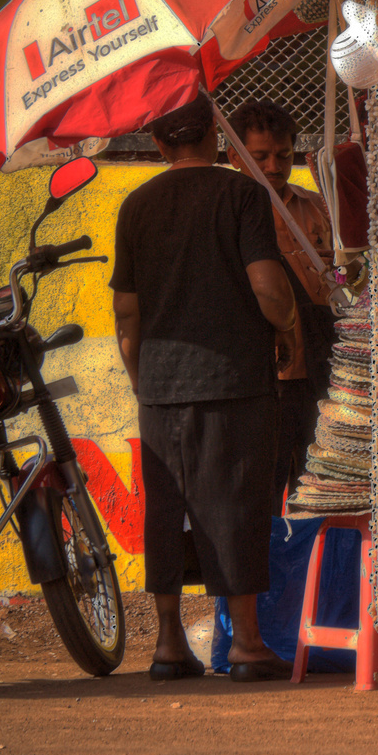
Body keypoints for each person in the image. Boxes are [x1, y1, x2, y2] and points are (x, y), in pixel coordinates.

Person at [110, 93, 298, 683]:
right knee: (236, 507)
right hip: (235, 380)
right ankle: (245, 644)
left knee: (166, 510)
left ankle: (169, 645)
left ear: (160, 143)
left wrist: (144, 379)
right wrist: (288, 324)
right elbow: (268, 289)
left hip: (162, 385)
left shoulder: (135, 205)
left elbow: (126, 314)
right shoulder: (241, 196)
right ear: (218, 139)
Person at [229, 98, 335, 504]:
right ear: (236, 156)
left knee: (321, 480)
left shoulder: (314, 207)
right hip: (267, 371)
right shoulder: (232, 211)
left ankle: (311, 565)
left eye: (283, 155)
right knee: (266, 486)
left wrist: (347, 273)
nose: (273, 167)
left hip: (322, 362)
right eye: (260, 157)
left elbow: (340, 276)